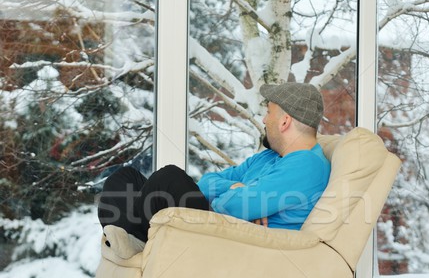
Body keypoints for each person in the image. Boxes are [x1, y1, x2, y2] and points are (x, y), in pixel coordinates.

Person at [97, 82, 331, 243]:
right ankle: (128, 236)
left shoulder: (306, 166)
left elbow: (233, 207)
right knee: (125, 177)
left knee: (169, 178)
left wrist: (238, 195)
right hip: (218, 223)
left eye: (268, 112)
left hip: (227, 240)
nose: (263, 119)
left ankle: (131, 238)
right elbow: (207, 183)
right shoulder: (267, 157)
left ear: (284, 122)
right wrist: (235, 189)